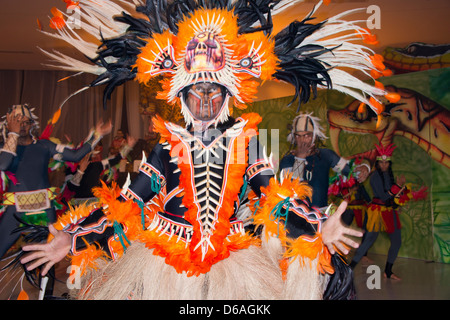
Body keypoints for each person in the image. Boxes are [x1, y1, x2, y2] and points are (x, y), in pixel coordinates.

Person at [17, 0, 395, 300]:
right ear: (181, 96)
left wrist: (316, 225)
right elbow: (128, 205)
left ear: (227, 96)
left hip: (235, 260)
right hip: (164, 262)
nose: (205, 99)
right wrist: (74, 237)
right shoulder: (168, 147)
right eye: (196, 90)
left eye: (214, 90)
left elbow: (274, 197)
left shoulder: (246, 142)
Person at [0, 104, 112, 297]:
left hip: (44, 211)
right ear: (9, 124)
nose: (22, 125)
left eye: (25, 121)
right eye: (17, 121)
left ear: (32, 123)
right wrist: (12, 135)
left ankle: (45, 293)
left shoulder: (45, 146)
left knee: (49, 258)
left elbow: (76, 155)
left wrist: (97, 136)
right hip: (15, 210)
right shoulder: (7, 148)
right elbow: (3, 164)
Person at [349, 143, 427, 279]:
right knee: (368, 240)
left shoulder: (389, 175)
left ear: (389, 163)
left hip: (389, 211)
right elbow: (384, 196)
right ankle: (349, 270)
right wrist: (397, 187)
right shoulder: (374, 177)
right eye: (381, 162)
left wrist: (398, 203)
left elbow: (391, 197)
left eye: (386, 162)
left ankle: (388, 271)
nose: (384, 165)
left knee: (397, 241)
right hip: (377, 212)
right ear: (378, 163)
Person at [279, 113, 371, 212]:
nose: (302, 140)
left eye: (306, 135)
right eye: (298, 136)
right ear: (294, 137)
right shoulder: (287, 160)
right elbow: (292, 189)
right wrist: (300, 157)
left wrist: (365, 166)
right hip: (297, 216)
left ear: (314, 136)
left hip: (321, 215)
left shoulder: (326, 155)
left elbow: (351, 171)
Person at [65, 134, 137, 206]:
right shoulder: (70, 168)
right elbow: (71, 188)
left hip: (94, 206)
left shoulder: (96, 165)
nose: (84, 155)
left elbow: (115, 159)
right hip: (77, 208)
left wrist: (128, 146)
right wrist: (80, 171)